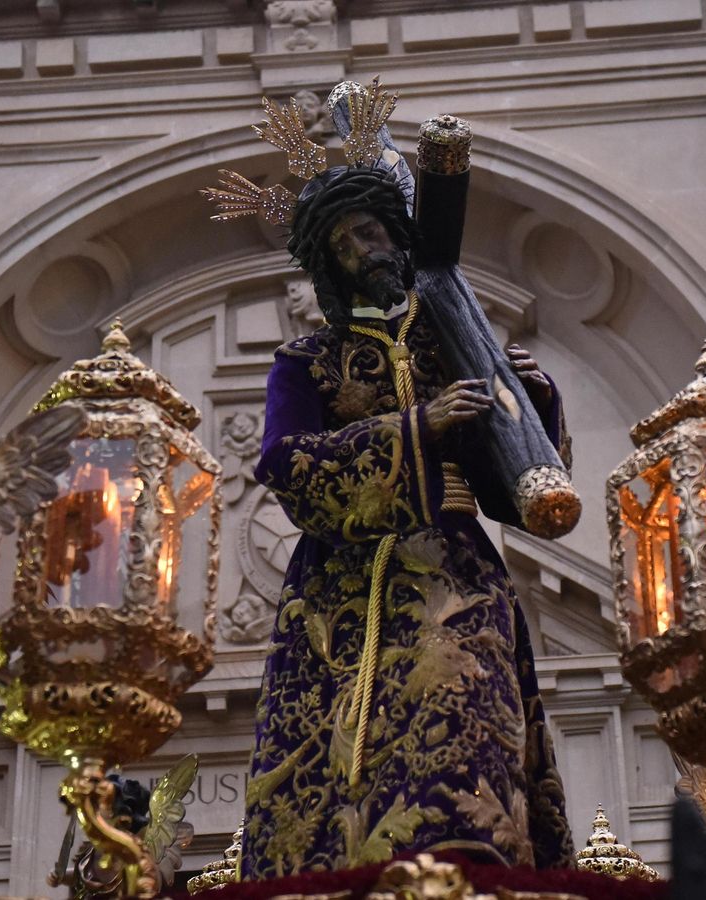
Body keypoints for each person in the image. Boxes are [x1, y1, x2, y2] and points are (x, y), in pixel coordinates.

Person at [240, 163, 573, 876]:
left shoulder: (450, 345)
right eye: (345, 243)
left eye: (370, 231)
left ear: (397, 235)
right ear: (331, 265)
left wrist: (529, 402)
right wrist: (416, 429)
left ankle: (468, 865)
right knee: (335, 752)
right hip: (342, 592)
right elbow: (287, 463)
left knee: (467, 711)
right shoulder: (307, 362)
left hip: (456, 571)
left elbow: (509, 490)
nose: (365, 250)